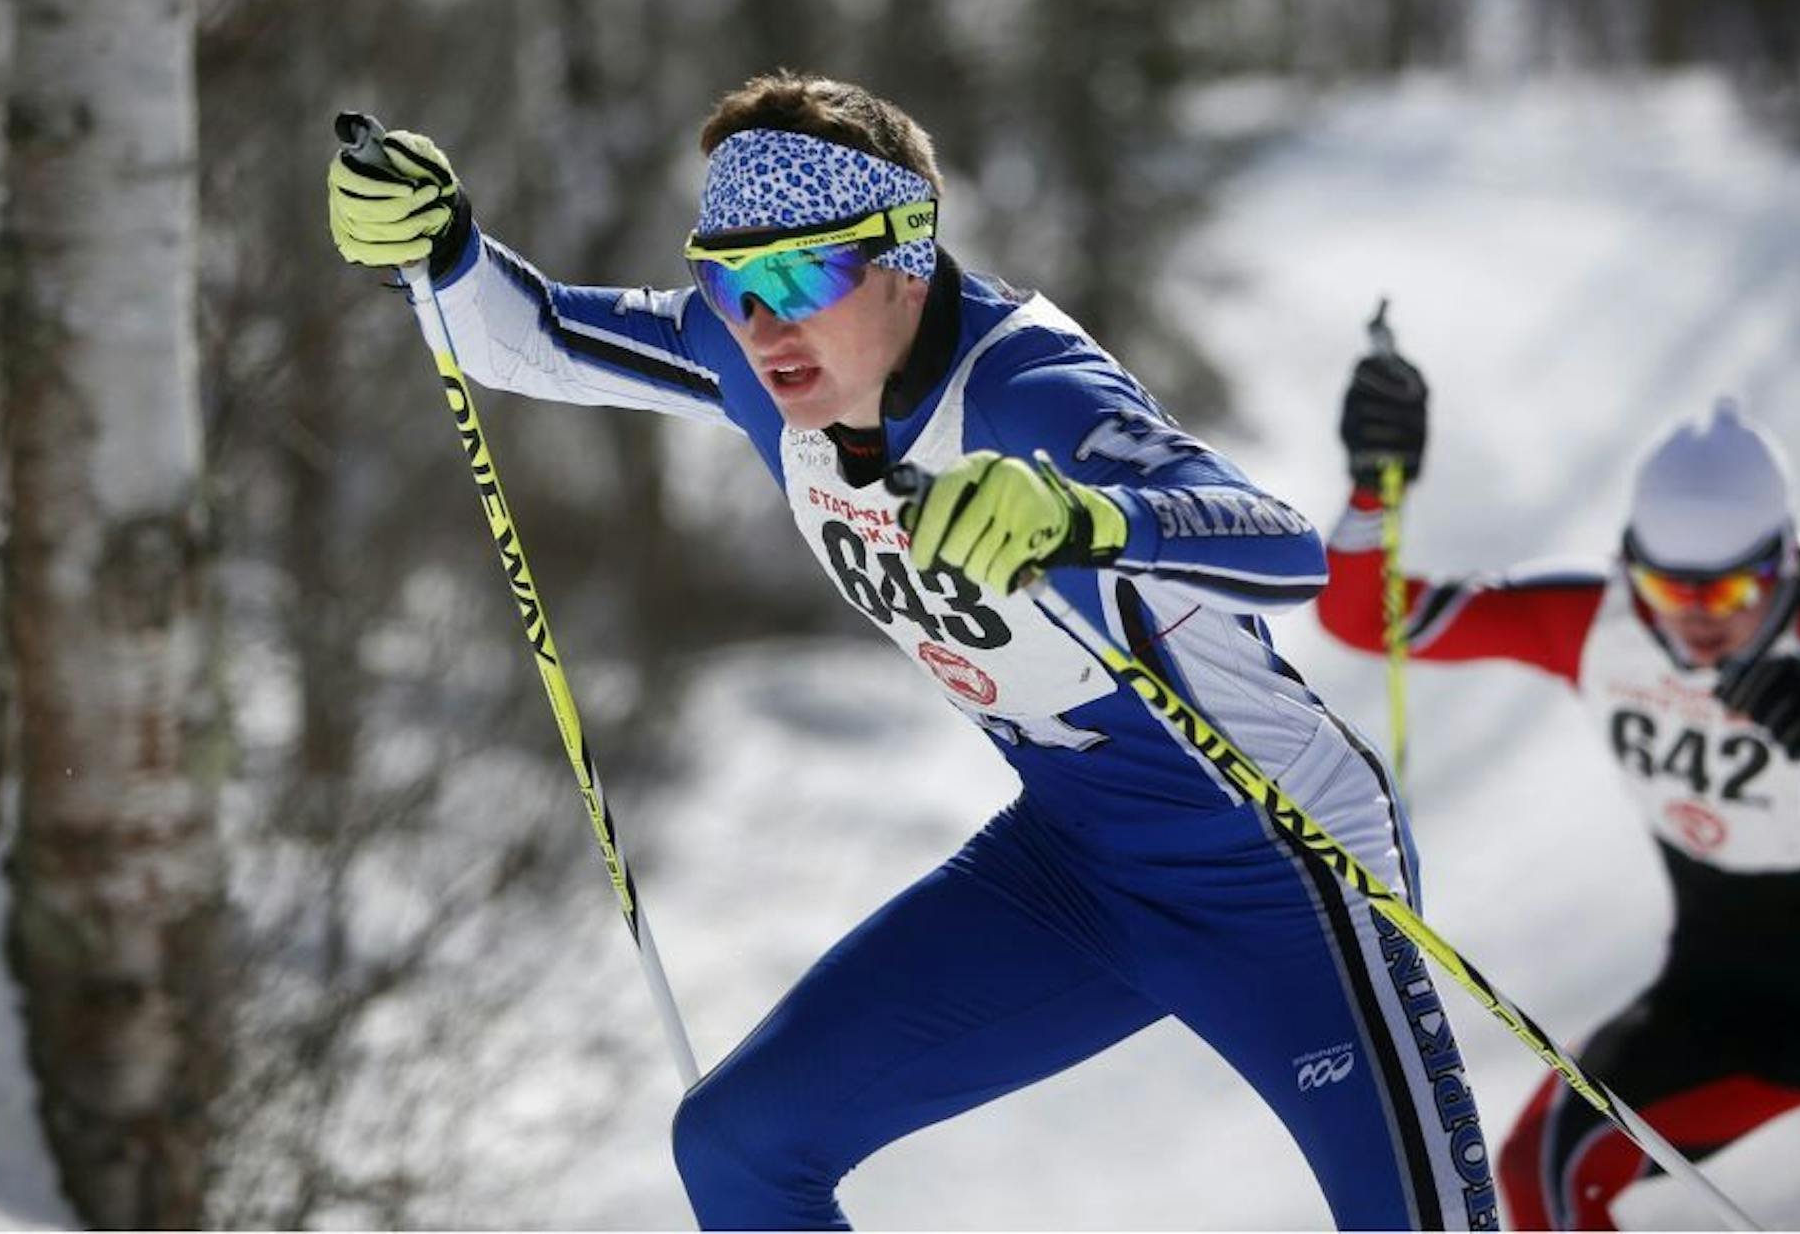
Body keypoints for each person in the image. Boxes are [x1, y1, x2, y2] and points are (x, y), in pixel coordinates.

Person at [326, 71, 1499, 1231]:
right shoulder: (760, 359)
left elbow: (1287, 550)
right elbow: (528, 338)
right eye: (728, 278)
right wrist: (438, 245)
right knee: (741, 1144)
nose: (761, 322)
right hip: (1075, 860)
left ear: (906, 257)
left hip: (1277, 865)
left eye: (800, 272)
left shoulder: (1030, 392)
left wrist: (1084, 518)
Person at [1318, 350, 1800, 1229]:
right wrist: (1375, 489)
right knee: (1538, 1174)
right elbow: (1366, 618)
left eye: (1736, 589)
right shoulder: (1591, 614)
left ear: (1784, 565)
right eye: (1669, 588)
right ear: (1632, 563)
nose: (1700, 618)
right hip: (1719, 994)